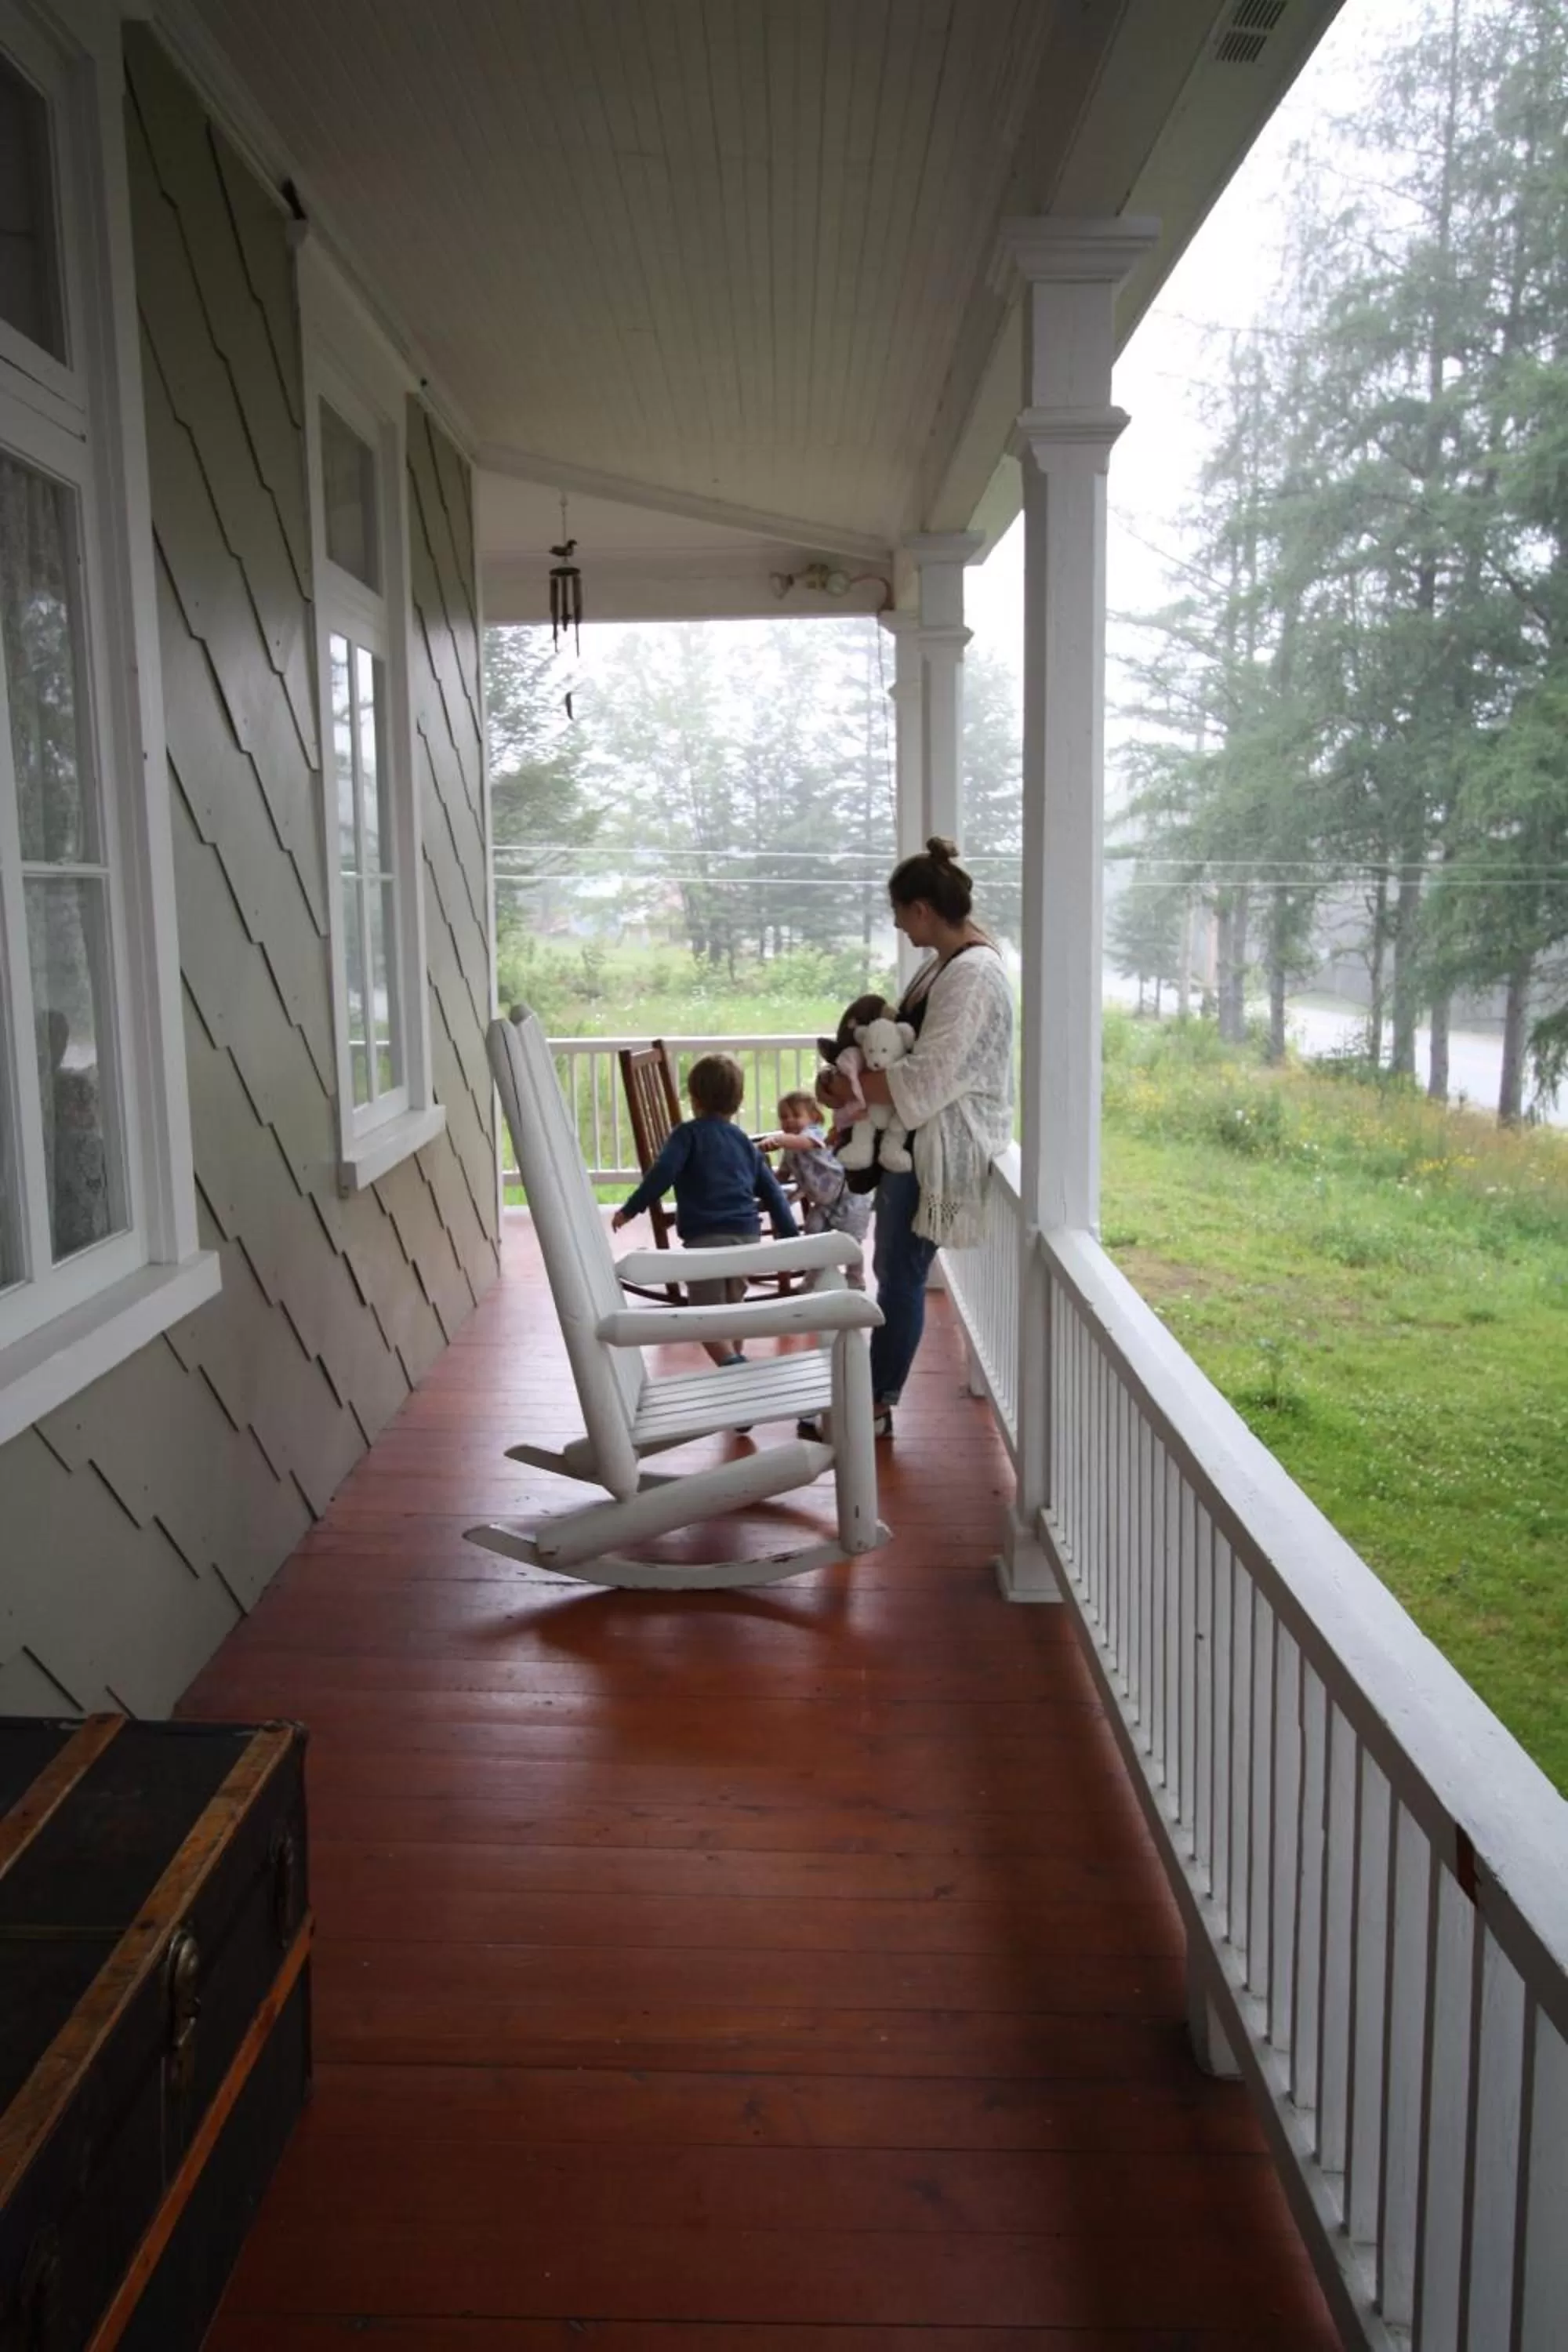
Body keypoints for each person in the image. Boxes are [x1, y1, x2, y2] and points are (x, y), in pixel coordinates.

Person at [815, 837, 1014, 1439]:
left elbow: (927, 1077)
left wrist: (852, 1089)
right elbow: (904, 1046)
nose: (898, 924)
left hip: (938, 1152)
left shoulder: (971, 974)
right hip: (918, 1144)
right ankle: (870, 1399)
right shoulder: (949, 965)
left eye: (899, 912)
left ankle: (872, 1407)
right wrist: (850, 1085)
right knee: (895, 1268)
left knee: (899, 1274)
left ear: (923, 908)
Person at [612, 1052, 797, 1367]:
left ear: (694, 1098)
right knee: (732, 1311)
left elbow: (663, 1173)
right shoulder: (743, 1142)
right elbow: (772, 1192)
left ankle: (733, 1367)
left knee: (703, 1317)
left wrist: (632, 1208)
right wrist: (793, 1240)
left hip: (706, 1243)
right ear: (737, 1101)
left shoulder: (687, 1135)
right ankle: (735, 1368)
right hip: (746, 1240)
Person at [759, 1089, 870, 1288]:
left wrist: (779, 1139)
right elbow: (782, 1175)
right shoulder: (790, 1150)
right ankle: (814, 1275)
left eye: (796, 1115)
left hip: (848, 1197)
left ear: (814, 1118)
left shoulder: (814, 1134)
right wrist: (768, 1187)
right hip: (821, 1203)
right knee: (813, 1233)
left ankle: (855, 1278)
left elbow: (806, 1143)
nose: (789, 1121)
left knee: (852, 1242)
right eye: (784, 1117)